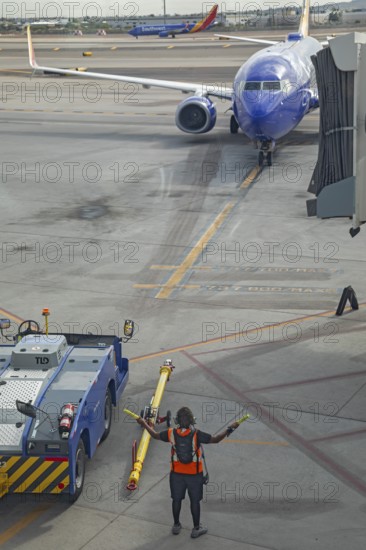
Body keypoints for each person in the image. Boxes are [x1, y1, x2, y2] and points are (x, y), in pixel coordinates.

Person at [136, 406, 239, 538]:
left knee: (176, 500)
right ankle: (196, 528)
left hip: (176, 475)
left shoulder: (171, 433)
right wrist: (230, 428)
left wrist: (144, 423)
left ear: (177, 420)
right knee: (194, 502)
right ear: (191, 421)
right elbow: (216, 439)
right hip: (195, 476)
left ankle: (176, 525)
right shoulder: (197, 434)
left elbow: (155, 435)